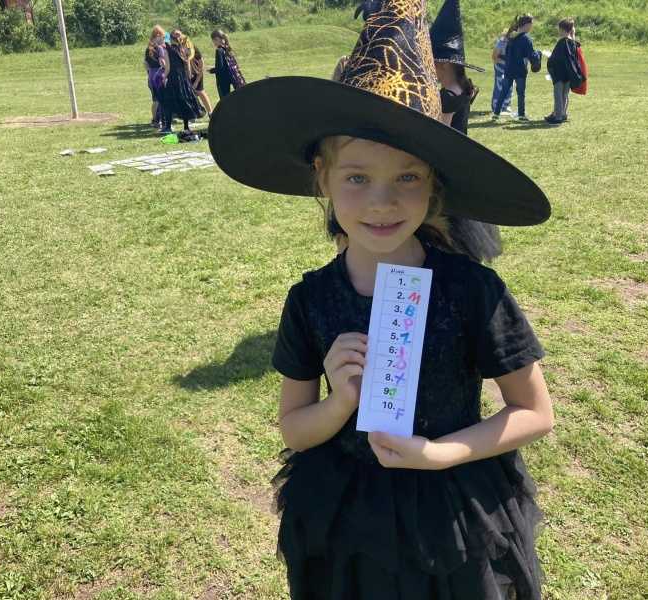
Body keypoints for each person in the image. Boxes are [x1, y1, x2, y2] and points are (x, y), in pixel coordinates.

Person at [208, 1, 554, 598]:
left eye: (407, 177)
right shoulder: (310, 301)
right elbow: (294, 428)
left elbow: (534, 412)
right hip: (347, 521)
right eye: (357, 177)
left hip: (454, 514)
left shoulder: (473, 291)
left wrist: (439, 453)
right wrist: (340, 401)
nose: (382, 202)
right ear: (322, 176)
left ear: (434, 182)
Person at [430, 0, 502, 264]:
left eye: (431, 63)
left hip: (446, 158)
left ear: (442, 63)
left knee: (446, 215)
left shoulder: (448, 95)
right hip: (459, 154)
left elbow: (441, 130)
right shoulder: (462, 87)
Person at [492, 14, 541, 122]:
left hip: (509, 68)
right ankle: (521, 115)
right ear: (527, 24)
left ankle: (496, 113)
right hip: (520, 69)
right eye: (531, 24)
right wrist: (538, 54)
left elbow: (507, 53)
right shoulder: (526, 39)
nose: (531, 27)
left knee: (504, 91)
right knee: (521, 93)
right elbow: (531, 54)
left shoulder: (511, 36)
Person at [161, 29, 205, 134]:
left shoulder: (167, 50)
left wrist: (163, 78)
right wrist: (188, 78)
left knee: (168, 102)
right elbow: (187, 65)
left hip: (173, 78)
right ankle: (186, 127)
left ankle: (168, 127)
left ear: (170, 39)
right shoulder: (183, 49)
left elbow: (167, 68)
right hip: (183, 78)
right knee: (184, 102)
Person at [545, 18, 583, 124]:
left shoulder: (562, 42)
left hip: (560, 74)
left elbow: (557, 58)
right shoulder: (573, 42)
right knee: (565, 94)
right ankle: (563, 113)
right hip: (569, 73)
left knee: (558, 95)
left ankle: (558, 116)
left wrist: (549, 58)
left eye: (559, 29)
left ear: (562, 29)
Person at [209, 30, 246, 99]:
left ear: (217, 39)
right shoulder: (227, 48)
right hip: (233, 76)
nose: (213, 43)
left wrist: (211, 70)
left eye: (214, 40)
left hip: (223, 79)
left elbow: (220, 68)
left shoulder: (219, 50)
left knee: (225, 100)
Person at [144, 25, 167, 128]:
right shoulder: (159, 48)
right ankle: (161, 121)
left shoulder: (148, 48)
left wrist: (150, 73)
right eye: (163, 37)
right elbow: (162, 62)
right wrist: (167, 69)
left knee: (155, 100)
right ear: (158, 36)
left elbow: (145, 64)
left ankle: (155, 120)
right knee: (161, 100)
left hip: (151, 76)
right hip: (159, 75)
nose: (163, 39)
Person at [491, 23, 515, 116]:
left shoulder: (516, 42)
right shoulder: (501, 42)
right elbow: (494, 56)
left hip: (510, 67)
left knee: (510, 86)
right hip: (500, 66)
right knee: (499, 86)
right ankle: (496, 106)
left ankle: (506, 106)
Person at [188, 37, 213, 117]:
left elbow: (201, 66)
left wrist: (196, 82)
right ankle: (193, 113)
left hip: (197, 73)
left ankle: (210, 112)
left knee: (200, 91)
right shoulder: (178, 48)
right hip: (186, 74)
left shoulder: (194, 49)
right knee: (188, 94)